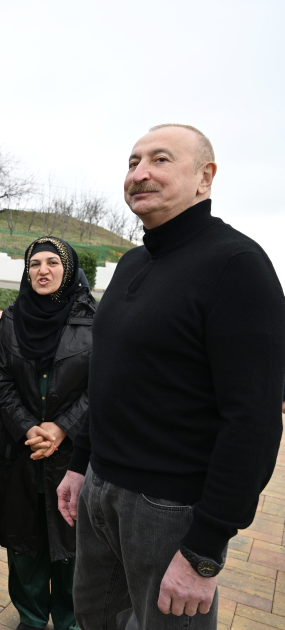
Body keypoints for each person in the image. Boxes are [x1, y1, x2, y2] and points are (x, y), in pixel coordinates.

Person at [57, 124, 285, 628]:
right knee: (95, 619)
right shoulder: (134, 262)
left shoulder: (237, 265)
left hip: (168, 510)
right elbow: (110, 378)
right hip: (100, 491)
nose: (140, 174)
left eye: (160, 160)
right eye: (133, 162)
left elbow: (254, 421)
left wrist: (204, 551)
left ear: (205, 177)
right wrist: (80, 464)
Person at [0, 236, 95, 630]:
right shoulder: (14, 316)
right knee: (24, 544)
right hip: (22, 451)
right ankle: (31, 618)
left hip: (71, 458)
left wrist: (62, 428)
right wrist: (29, 427)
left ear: (69, 269)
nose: (42, 271)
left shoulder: (92, 319)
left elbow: (100, 386)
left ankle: (70, 622)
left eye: (52, 262)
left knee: (70, 546)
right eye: (34, 263)